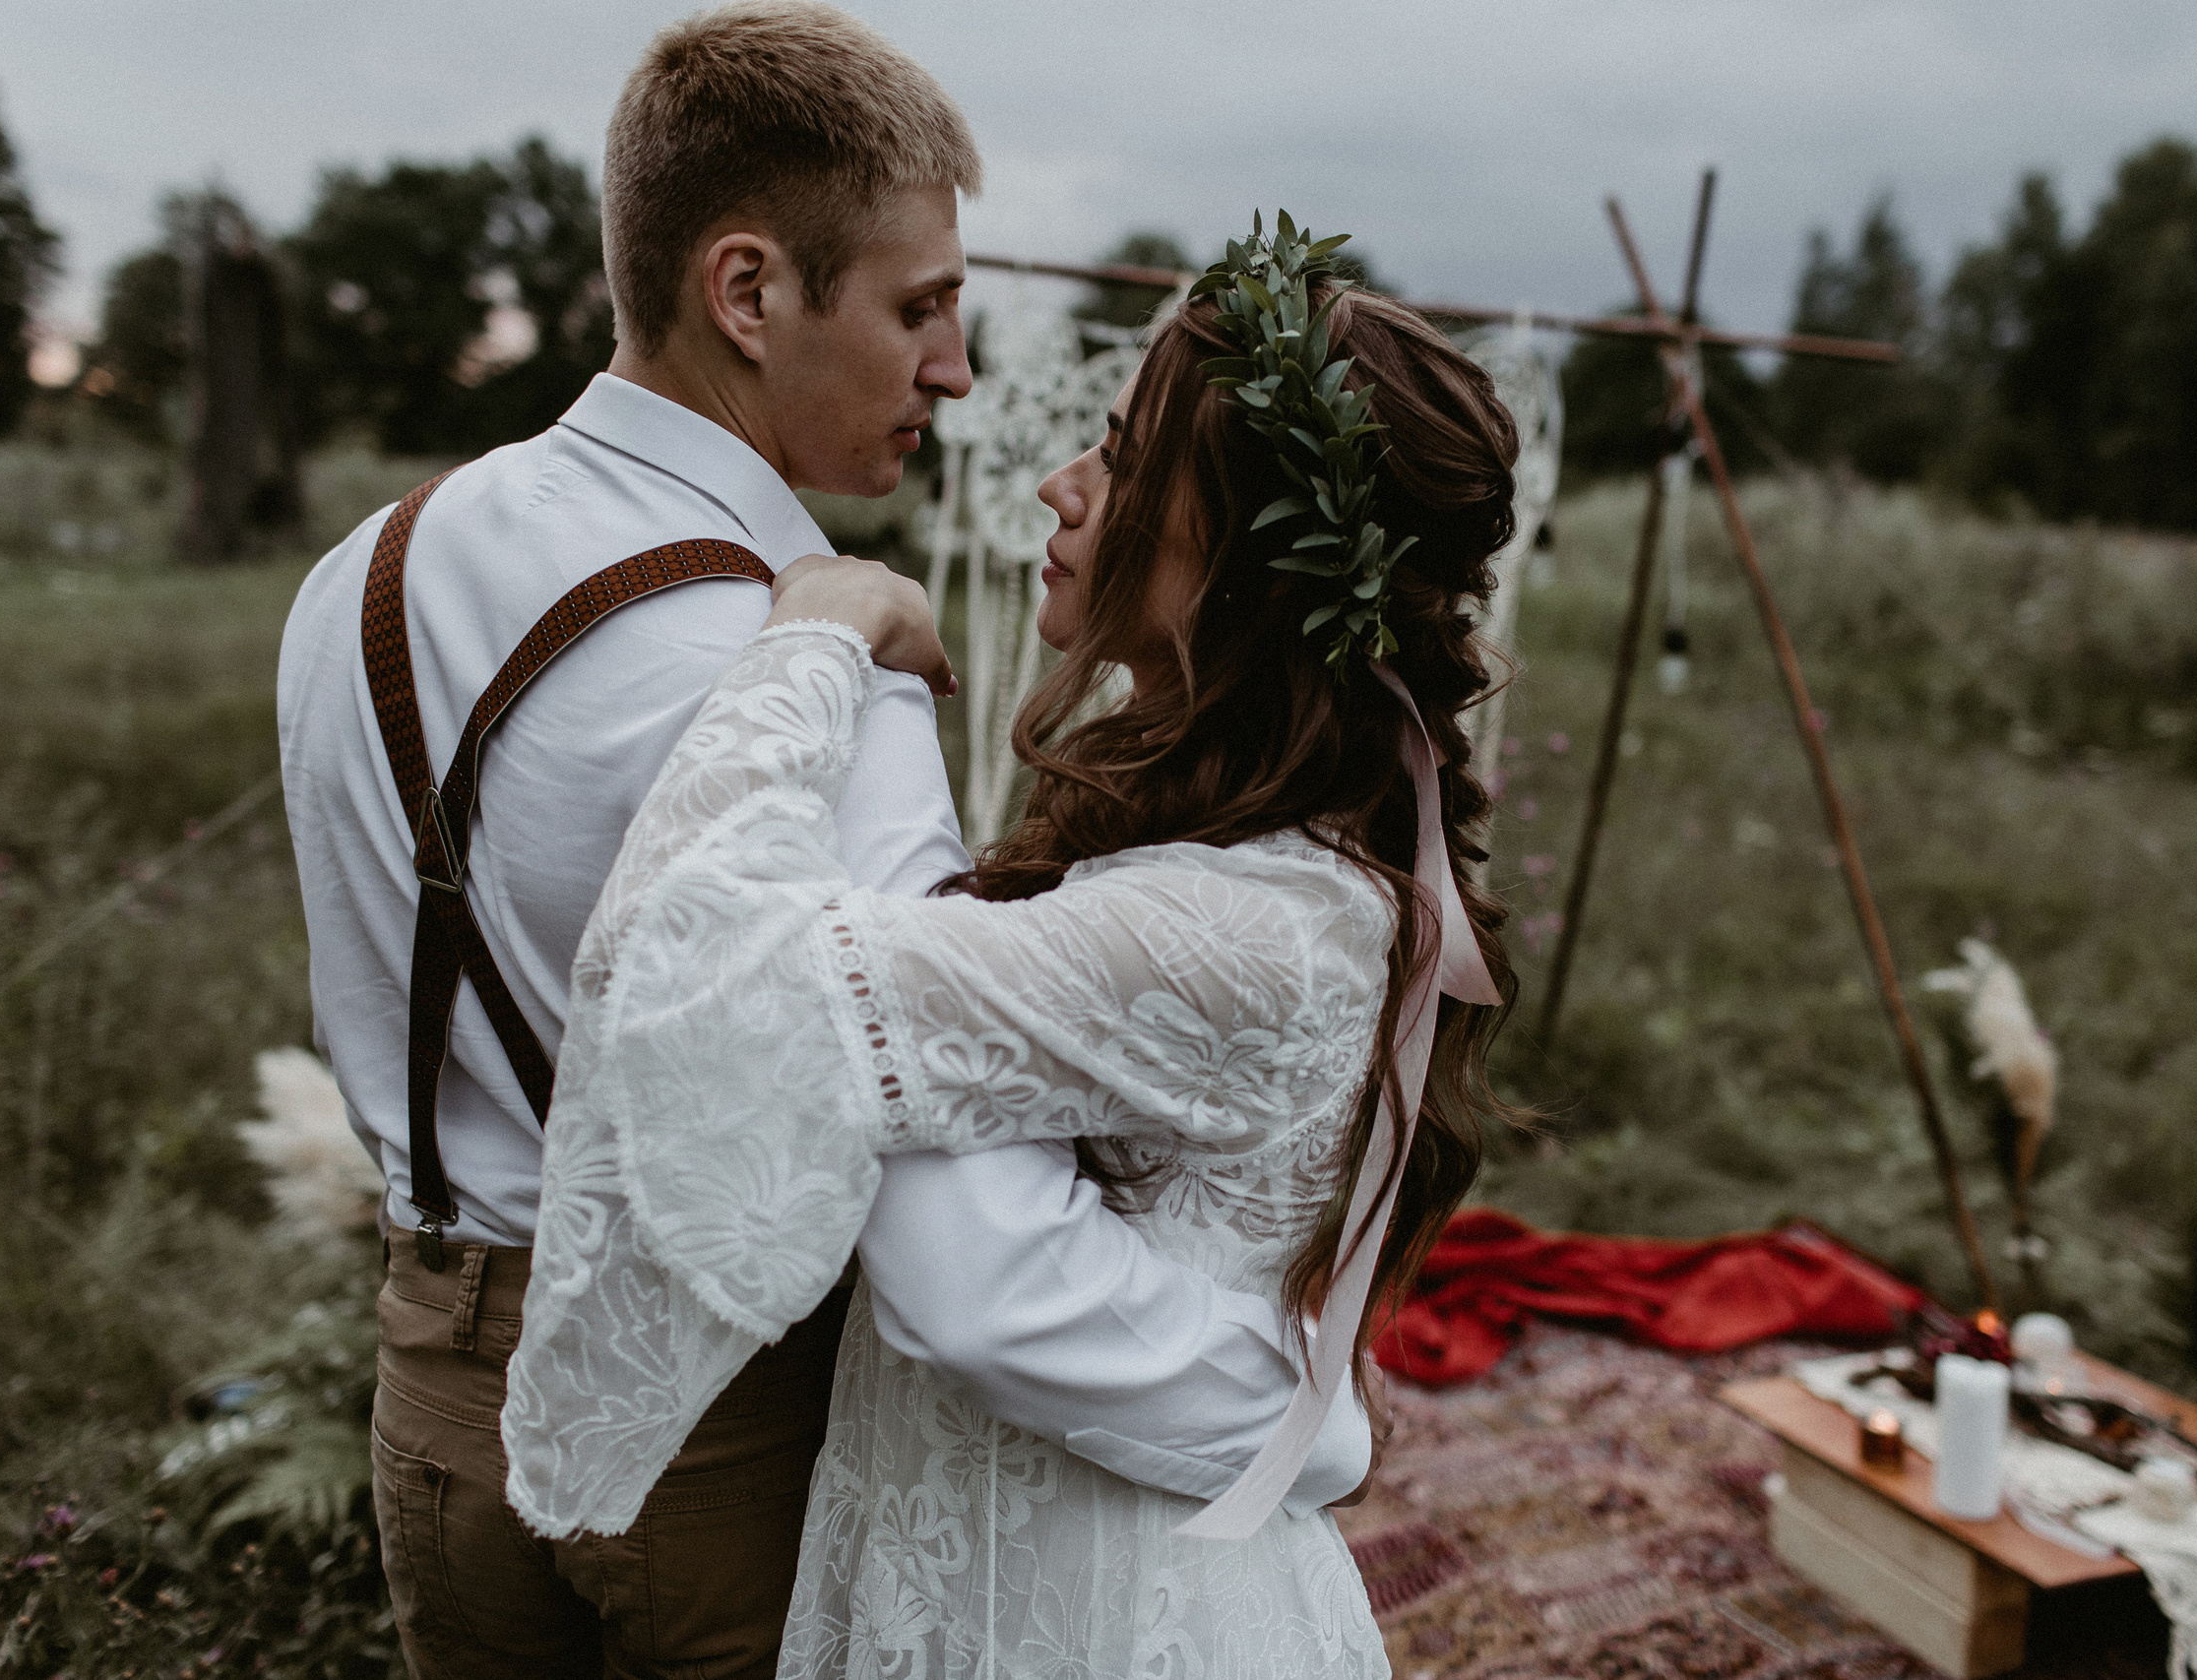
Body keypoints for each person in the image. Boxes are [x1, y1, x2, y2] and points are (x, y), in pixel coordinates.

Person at [277, 10, 1371, 1677]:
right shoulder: (818, 667)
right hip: (718, 1440)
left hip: (427, 1402)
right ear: (747, 291)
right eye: (922, 308)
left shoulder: (356, 577)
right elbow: (949, 1199)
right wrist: (1304, 1419)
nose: (958, 371)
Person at [503, 221, 1521, 1676]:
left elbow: (753, 994)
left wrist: (825, 647)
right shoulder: (1259, 865)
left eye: (1115, 460)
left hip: (1089, 1604)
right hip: (1023, 1549)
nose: (1060, 482)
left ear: (1232, 551)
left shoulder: (1241, 927)